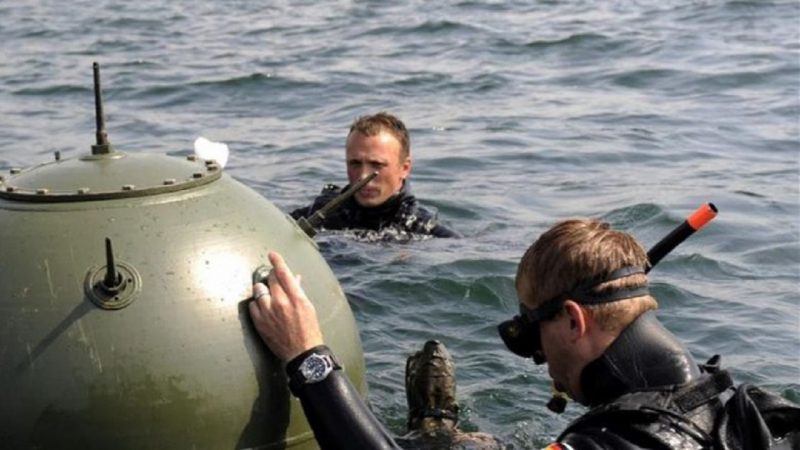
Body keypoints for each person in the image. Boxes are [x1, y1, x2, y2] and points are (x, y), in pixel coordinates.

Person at [248, 220, 800, 450]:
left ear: (574, 320)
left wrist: (309, 358)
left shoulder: (620, 443)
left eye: (532, 336)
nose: (539, 361)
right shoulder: (744, 409)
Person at [290, 112, 458, 239]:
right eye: (355, 163)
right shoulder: (319, 215)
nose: (363, 176)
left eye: (377, 165)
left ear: (405, 168)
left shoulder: (426, 232)